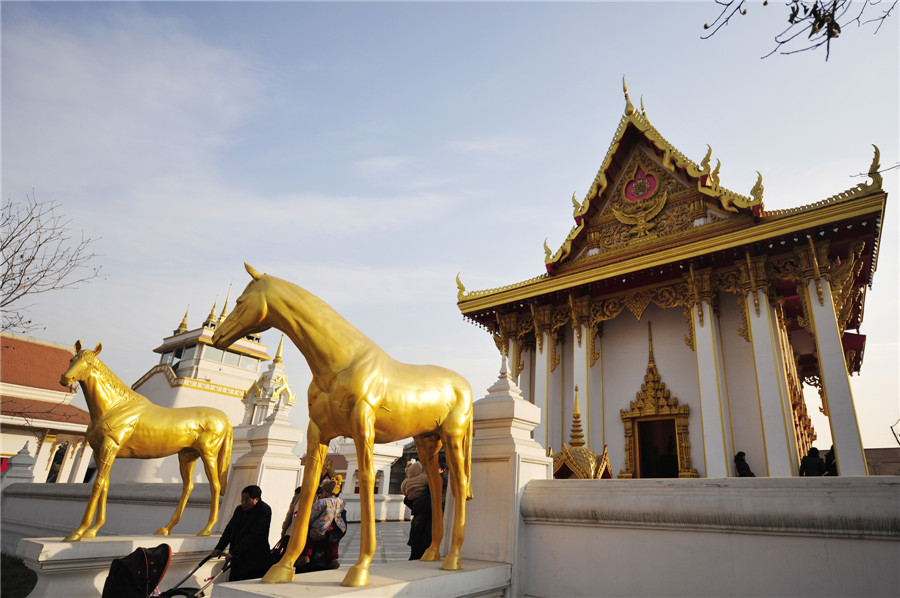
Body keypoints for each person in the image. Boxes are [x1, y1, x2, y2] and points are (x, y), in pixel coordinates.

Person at [210, 485, 272, 581]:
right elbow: (229, 530)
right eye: (242, 498)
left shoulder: (264, 510)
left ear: (256, 499)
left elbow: (254, 535)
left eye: (247, 499)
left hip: (255, 560)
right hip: (238, 558)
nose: (243, 502)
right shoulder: (239, 510)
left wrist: (234, 552)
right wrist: (219, 547)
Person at [297, 477, 346, 570]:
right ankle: (334, 559)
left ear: (327, 492)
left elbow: (312, 514)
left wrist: (308, 523)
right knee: (333, 545)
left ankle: (306, 555)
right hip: (334, 525)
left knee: (310, 540)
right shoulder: (341, 503)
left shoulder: (322, 502)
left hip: (320, 525)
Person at [402, 461, 432, 560]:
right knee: (415, 555)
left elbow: (419, 507)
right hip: (418, 527)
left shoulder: (435, 484)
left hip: (429, 527)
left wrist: (410, 500)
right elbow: (416, 507)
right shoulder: (425, 481)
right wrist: (408, 498)